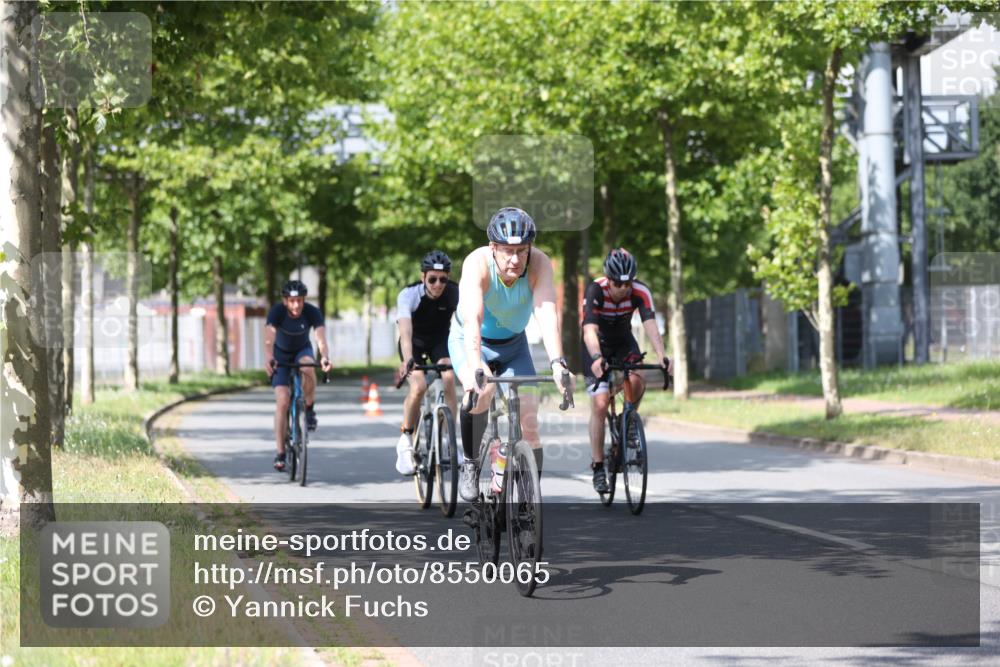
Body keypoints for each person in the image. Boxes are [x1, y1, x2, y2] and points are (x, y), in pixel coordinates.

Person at [449, 207, 573, 502]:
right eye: (507, 251)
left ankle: (528, 506)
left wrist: (558, 363)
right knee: (480, 392)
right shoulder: (477, 263)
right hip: (470, 340)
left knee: (529, 423)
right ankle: (471, 462)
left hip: (514, 346)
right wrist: (476, 364)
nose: (515, 259)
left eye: (522, 250)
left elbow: (546, 312)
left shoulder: (540, 264)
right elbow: (473, 320)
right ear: (493, 248)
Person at [582, 248, 671, 493]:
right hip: (596, 344)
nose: (623, 288)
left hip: (622, 340)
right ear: (608, 279)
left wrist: (662, 356)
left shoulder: (640, 292)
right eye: (618, 284)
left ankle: (627, 419)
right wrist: (597, 357)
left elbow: (650, 324)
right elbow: (589, 330)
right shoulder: (595, 290)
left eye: (628, 283)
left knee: (638, 376)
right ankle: (599, 467)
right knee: (600, 403)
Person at [394, 250, 460, 475]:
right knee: (419, 386)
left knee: (450, 377)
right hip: (413, 343)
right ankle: (405, 438)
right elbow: (405, 330)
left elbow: (469, 322)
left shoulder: (455, 293)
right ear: (423, 278)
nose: (438, 284)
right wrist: (408, 358)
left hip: (440, 342)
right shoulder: (409, 295)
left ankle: (448, 439)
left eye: (443, 279)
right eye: (432, 279)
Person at [264, 279, 332, 471]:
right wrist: (269, 358)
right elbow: (269, 341)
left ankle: (309, 408)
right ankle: (280, 453)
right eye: (292, 301)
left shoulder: (312, 312)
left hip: (302, 350)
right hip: (281, 356)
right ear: (285, 301)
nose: (296, 305)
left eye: (300, 301)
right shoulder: (276, 312)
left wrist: (325, 356)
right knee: (283, 400)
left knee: (309, 367)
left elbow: (321, 339)